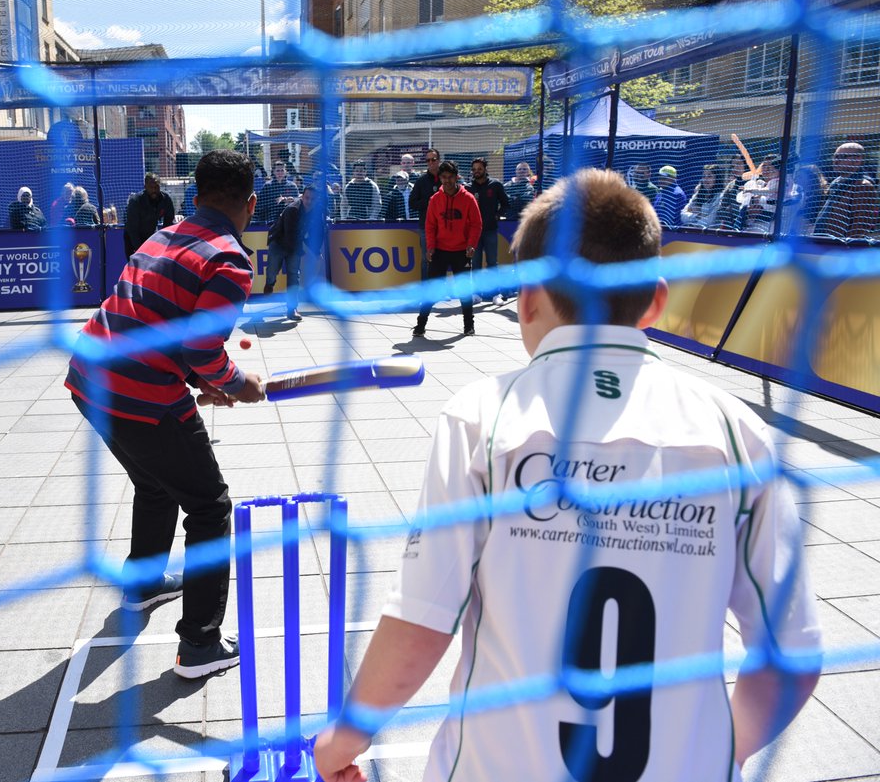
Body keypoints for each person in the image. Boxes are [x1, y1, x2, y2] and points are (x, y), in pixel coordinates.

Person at [314, 168, 822, 782]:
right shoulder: (736, 432)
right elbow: (792, 651)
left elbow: (423, 620)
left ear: (527, 296)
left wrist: (342, 741)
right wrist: (719, 750)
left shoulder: (485, 417)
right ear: (657, 299)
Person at [64, 149, 265, 679]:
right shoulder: (229, 258)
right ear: (250, 203)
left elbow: (159, 320)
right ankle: (200, 644)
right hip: (139, 392)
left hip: (90, 378)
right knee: (210, 506)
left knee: (155, 483)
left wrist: (205, 379)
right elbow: (202, 349)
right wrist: (237, 383)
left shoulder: (165, 234)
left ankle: (144, 582)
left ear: (195, 198)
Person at [413, 160, 480, 338]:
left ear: (456, 177)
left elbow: (476, 225)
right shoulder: (435, 199)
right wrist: (430, 247)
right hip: (440, 251)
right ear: (440, 178)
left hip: (461, 251)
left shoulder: (468, 198)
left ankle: (468, 326)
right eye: (444, 177)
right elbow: (430, 226)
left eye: (450, 177)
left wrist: (471, 244)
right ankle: (420, 325)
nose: (447, 181)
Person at [264, 184, 321, 321]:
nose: (309, 201)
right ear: (302, 196)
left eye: (313, 199)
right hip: (278, 242)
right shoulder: (292, 210)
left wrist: (316, 251)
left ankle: (292, 308)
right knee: (272, 271)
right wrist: (301, 252)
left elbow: (312, 235)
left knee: (294, 275)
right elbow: (290, 236)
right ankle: (270, 283)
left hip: (294, 245)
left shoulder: (315, 213)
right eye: (307, 198)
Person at [813, 142, 880, 239]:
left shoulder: (863, 186)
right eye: (835, 157)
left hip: (839, 248)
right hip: (823, 242)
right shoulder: (835, 184)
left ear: (857, 160)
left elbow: (860, 226)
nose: (835, 161)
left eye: (842, 157)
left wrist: (846, 249)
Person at [467, 157, 510, 305]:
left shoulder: (495, 184)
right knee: (476, 263)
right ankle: (477, 294)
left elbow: (506, 203)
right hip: (474, 233)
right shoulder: (468, 188)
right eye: (474, 169)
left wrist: (497, 215)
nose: (476, 172)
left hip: (491, 230)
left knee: (492, 263)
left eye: (479, 169)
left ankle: (494, 294)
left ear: (485, 169)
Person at [124, 172, 176, 259]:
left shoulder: (166, 199)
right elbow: (133, 229)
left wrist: (163, 243)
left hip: (151, 235)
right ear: (145, 187)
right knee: (136, 267)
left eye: (156, 187)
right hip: (133, 238)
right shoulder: (136, 201)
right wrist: (140, 251)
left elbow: (168, 223)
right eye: (151, 188)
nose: (154, 190)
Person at [408, 149, 442, 279]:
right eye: (428, 160)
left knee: (442, 259)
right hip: (426, 226)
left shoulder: (445, 178)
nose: (431, 163)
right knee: (426, 258)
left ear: (438, 160)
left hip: (443, 226)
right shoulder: (421, 181)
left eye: (433, 160)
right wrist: (428, 202)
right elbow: (412, 203)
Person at [792, 164, 828, 236]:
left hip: (808, 235)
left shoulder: (818, 197)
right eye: (795, 177)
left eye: (799, 177)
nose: (795, 180)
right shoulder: (798, 195)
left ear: (811, 179)